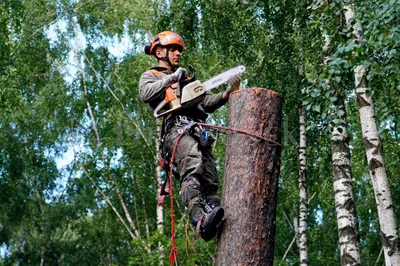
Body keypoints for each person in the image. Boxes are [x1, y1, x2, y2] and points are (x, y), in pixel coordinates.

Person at [139, 31, 241, 242]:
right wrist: (171, 79)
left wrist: (226, 93)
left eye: (179, 50)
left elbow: (205, 104)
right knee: (192, 167)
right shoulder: (152, 76)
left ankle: (213, 213)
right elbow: (145, 94)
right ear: (159, 52)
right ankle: (199, 219)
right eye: (173, 49)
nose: (178, 54)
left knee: (210, 177)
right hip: (176, 130)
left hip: (197, 129)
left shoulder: (185, 81)